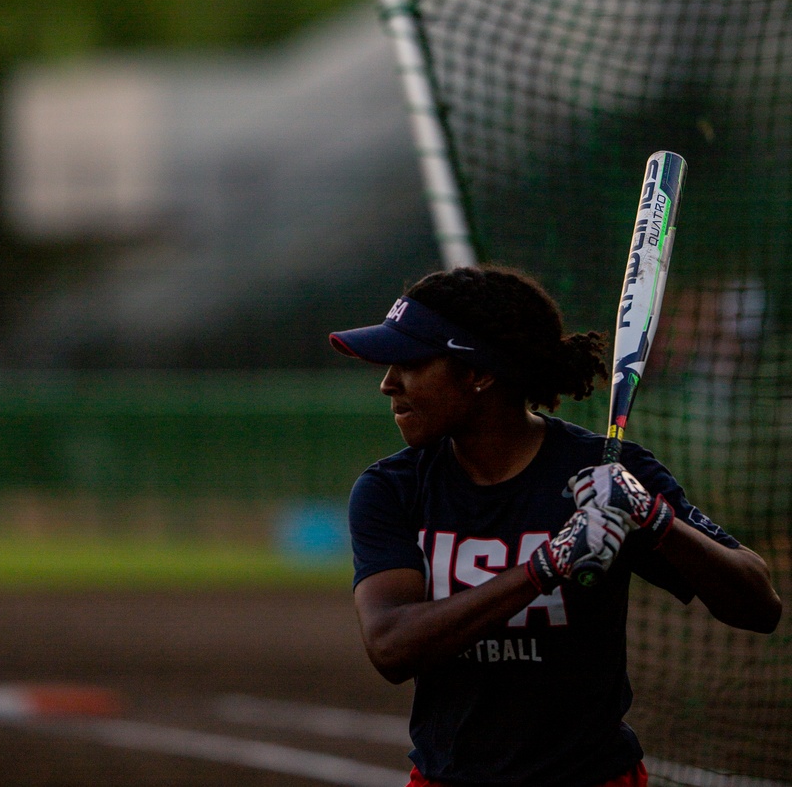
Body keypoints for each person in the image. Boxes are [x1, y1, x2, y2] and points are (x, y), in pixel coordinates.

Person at [329, 265, 781, 787]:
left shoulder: (611, 475)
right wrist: (546, 566)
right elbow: (391, 645)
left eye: (409, 362)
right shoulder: (393, 489)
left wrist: (656, 521)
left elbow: (759, 605)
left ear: (478, 374)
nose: (389, 384)